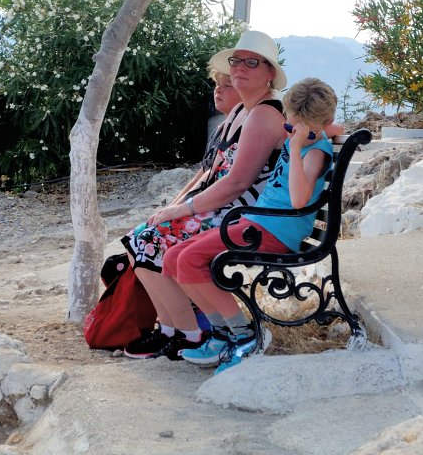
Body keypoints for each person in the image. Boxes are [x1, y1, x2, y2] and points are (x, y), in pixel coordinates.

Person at [121, 30, 291, 359]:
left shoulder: (265, 114)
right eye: (236, 61)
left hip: (241, 215)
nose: (240, 68)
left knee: (147, 240)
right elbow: (210, 173)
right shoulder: (243, 111)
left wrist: (182, 210)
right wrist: (177, 207)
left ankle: (189, 332)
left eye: (252, 63)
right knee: (139, 240)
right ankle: (172, 329)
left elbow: (237, 183)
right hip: (223, 208)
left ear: (269, 73)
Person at [169, 77, 339, 373]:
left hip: (276, 231)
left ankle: (245, 336)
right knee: (173, 258)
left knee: (189, 260)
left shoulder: (312, 153)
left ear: (321, 124)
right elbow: (335, 129)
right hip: (258, 222)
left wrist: (296, 146)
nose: (293, 133)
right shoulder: (311, 133)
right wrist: (322, 131)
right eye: (289, 126)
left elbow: (299, 200)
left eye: (302, 130)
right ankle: (222, 334)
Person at [170, 68, 243, 204]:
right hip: (201, 201)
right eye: (217, 84)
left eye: (227, 85)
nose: (218, 90)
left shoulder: (244, 130)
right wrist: (172, 206)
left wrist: (178, 208)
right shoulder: (218, 131)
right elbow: (202, 174)